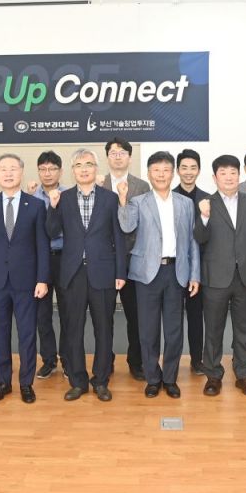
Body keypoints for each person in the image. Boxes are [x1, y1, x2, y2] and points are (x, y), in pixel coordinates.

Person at [118, 151, 200, 398]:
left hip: (176, 272)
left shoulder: (185, 203)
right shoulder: (138, 201)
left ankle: (170, 378)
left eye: (166, 170)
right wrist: (122, 199)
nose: (161, 175)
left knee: (174, 331)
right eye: (156, 170)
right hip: (146, 275)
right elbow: (126, 226)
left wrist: (195, 274)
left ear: (172, 173)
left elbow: (192, 242)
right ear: (149, 174)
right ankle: (153, 378)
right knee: (148, 331)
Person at [46, 148, 126, 402]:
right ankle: (78, 381)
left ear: (96, 168)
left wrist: (121, 271)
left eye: (89, 164)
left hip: (103, 272)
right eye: (79, 165)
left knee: (104, 329)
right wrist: (52, 207)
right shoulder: (64, 198)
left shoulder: (110, 198)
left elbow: (118, 237)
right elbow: (51, 231)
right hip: (72, 273)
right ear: (72, 170)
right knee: (73, 330)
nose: (84, 169)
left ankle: (100, 380)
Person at [0, 153, 50, 404]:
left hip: (27, 281)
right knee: (0, 334)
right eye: (2, 169)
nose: (7, 173)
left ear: (21, 172)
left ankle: (26, 383)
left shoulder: (35, 205)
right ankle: (2, 382)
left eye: (12, 168)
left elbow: (42, 245)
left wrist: (43, 279)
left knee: (27, 334)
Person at [195, 155, 246, 397]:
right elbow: (199, 239)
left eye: (233, 172)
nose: (228, 177)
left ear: (239, 175)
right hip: (215, 277)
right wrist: (204, 217)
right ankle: (213, 375)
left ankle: (244, 375)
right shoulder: (205, 203)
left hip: (245, 276)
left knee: (244, 329)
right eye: (223, 173)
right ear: (215, 177)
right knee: (213, 329)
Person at [99, 137, 149, 381]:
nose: (117, 156)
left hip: (132, 259)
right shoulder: (98, 184)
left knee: (135, 315)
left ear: (130, 157)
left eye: (122, 153)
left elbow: (145, 223)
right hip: (104, 260)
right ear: (107, 157)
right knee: (103, 315)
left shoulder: (142, 186)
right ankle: (105, 361)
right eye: (113, 152)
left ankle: (136, 361)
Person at [29, 150, 68, 379]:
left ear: (60, 171)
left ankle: (68, 360)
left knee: (67, 312)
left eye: (52, 168)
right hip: (38, 261)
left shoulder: (69, 195)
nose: (47, 173)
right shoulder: (31, 198)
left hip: (64, 258)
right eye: (43, 169)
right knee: (41, 314)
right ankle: (48, 359)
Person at [173, 148, 208, 375]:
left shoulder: (209, 199)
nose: (188, 172)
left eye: (193, 168)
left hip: (199, 268)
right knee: (173, 319)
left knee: (196, 317)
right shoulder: (168, 196)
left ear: (199, 170)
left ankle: (197, 360)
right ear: (177, 170)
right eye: (184, 167)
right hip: (174, 268)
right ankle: (172, 362)